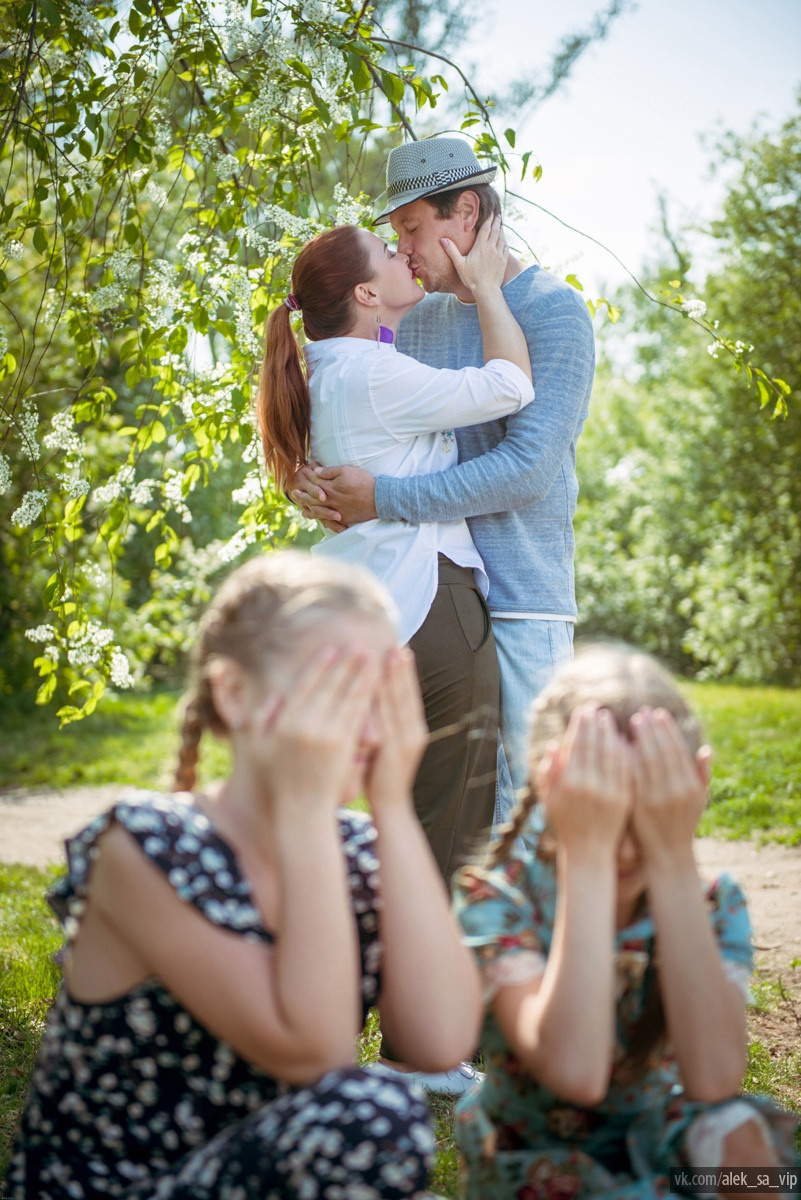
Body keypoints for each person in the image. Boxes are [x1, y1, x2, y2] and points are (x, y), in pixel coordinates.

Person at [5, 551, 482, 1200]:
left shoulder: (360, 849)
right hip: (123, 1189)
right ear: (233, 693)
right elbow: (315, 1057)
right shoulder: (140, 846)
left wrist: (394, 809)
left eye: (382, 695)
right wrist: (308, 810)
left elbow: (440, 1039)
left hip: (268, 1176)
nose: (367, 725)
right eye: (334, 690)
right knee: (369, 1114)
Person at [289, 135, 596, 823]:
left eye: (411, 228)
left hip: (518, 599)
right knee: (444, 811)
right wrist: (315, 485)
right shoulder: (413, 318)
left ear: (464, 213)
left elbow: (527, 469)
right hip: (426, 597)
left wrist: (381, 500)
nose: (403, 249)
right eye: (395, 235)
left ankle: (529, 937)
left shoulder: (552, 310)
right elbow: (366, 417)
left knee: (526, 812)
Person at [451, 642, 801, 1199]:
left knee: (748, 1154)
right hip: (537, 1161)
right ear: (551, 785)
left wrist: (673, 860)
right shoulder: (498, 900)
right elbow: (577, 1072)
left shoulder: (711, 903)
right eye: (605, 810)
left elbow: (714, 1079)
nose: (628, 848)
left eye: (648, 813)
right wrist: (585, 855)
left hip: (660, 1136)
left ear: (692, 789)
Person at [257, 217, 534, 890]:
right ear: (365, 295)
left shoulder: (319, 370)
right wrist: (488, 287)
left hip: (376, 612)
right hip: (430, 605)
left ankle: (375, 966)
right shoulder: (372, 372)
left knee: (401, 814)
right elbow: (510, 387)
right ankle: (422, 984)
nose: (401, 252)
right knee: (448, 824)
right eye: (388, 250)